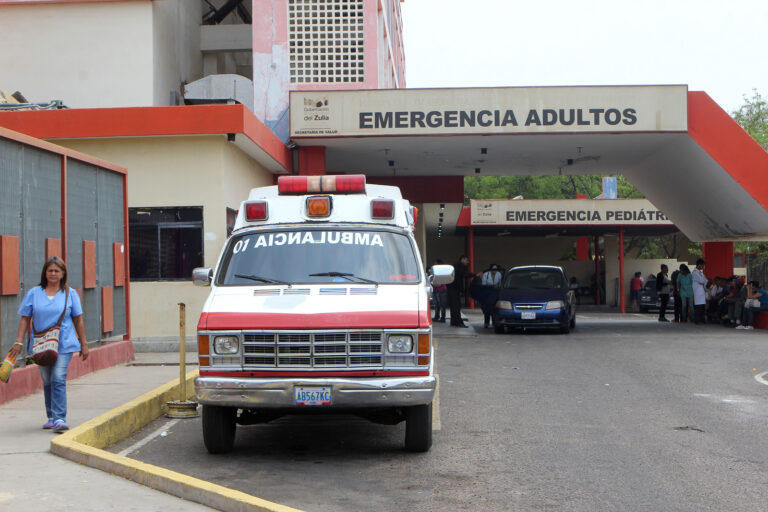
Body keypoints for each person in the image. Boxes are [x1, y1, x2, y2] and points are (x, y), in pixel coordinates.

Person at [7, 257, 89, 433]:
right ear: (45, 272)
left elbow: (78, 320)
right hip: (41, 345)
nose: (53, 273)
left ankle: (60, 418)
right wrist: (18, 341)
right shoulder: (34, 293)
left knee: (58, 378)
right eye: (50, 270)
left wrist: (84, 344)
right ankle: (51, 416)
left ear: (63, 274)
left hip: (64, 343)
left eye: (56, 271)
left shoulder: (70, 293)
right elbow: (24, 318)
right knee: (47, 380)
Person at [447, 255, 475, 328]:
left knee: (453, 306)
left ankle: (454, 321)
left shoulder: (454, 266)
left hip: (451, 288)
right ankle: (458, 322)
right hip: (455, 288)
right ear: (462, 259)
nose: (467, 262)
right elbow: (464, 274)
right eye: (467, 260)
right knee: (457, 306)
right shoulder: (460, 265)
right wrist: (474, 275)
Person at [479, 264, 503, 328]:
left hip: (495, 292)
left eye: (496, 269)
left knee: (494, 309)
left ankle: (494, 322)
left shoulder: (499, 274)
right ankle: (486, 322)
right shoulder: (486, 274)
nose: (494, 270)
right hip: (487, 292)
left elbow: (500, 284)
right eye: (493, 268)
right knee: (487, 308)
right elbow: (483, 284)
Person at [692, 258, 707, 324]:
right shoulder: (695, 273)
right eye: (703, 265)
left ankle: (701, 319)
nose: (703, 267)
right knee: (698, 307)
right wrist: (704, 280)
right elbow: (702, 280)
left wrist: (704, 280)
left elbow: (705, 281)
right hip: (697, 291)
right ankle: (697, 320)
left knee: (702, 306)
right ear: (699, 265)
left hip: (701, 291)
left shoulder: (700, 273)